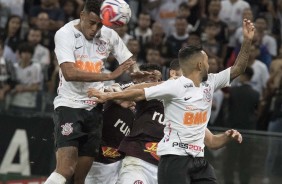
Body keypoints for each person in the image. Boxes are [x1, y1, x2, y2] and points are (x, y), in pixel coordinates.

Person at [88, 19, 254, 183]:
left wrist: (247, 41)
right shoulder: (174, 86)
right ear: (199, 65)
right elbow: (140, 92)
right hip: (170, 159)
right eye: (206, 61)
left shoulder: (210, 82)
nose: (210, 64)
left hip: (197, 160)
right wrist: (109, 95)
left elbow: (238, 68)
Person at [44, 0, 141, 183]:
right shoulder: (65, 34)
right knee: (66, 169)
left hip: (95, 109)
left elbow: (129, 62)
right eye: (91, 23)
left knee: (80, 179)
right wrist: (109, 76)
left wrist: (139, 74)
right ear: (82, 15)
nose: (95, 29)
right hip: (69, 106)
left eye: (100, 24)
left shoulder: (109, 35)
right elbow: (69, 73)